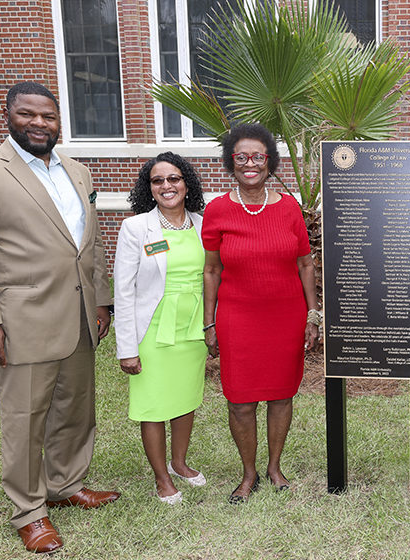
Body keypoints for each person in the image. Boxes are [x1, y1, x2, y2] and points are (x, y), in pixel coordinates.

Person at [0, 82, 119, 554]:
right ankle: (29, 511)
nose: (39, 123)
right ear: (9, 116)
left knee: (75, 409)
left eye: (48, 116)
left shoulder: (77, 171)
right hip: (21, 318)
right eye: (28, 115)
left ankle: (66, 484)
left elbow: (91, 243)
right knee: (24, 418)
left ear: (58, 121)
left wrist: (102, 300)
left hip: (81, 315)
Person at [202, 123, 320, 502]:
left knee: (282, 395)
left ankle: (274, 467)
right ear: (230, 162)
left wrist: (312, 314)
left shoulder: (289, 209)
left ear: (270, 162)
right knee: (240, 401)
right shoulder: (218, 209)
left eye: (258, 156)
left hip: (285, 317)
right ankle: (249, 472)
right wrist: (210, 322)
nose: (249, 163)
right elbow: (211, 270)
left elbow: (305, 264)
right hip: (238, 318)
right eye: (241, 157)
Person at [114, 152, 207, 505]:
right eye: (158, 181)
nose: (167, 186)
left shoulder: (202, 222)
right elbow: (123, 290)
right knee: (153, 404)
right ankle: (162, 477)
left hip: (192, 329)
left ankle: (180, 463)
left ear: (186, 184)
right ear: (148, 188)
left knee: (185, 399)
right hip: (152, 329)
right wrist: (127, 348)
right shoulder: (136, 228)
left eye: (174, 179)